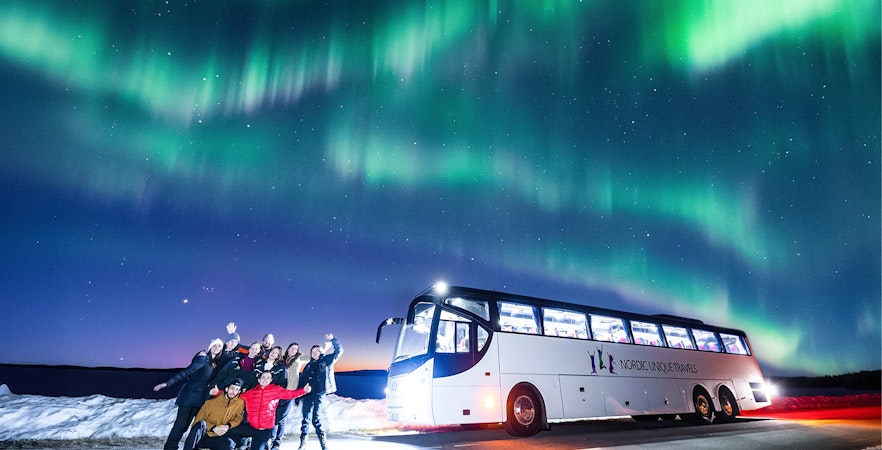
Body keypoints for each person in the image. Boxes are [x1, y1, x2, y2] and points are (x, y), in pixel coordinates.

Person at [154, 338, 224, 450]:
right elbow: (186, 372)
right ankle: (170, 447)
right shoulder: (203, 358)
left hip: (200, 399)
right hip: (188, 396)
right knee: (180, 425)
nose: (216, 348)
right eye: (214, 345)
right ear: (210, 347)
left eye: (219, 346)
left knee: (187, 426)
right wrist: (167, 383)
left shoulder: (214, 362)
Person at [228, 370, 312, 450]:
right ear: (259, 379)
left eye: (268, 378)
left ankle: (263, 444)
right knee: (226, 429)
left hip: (264, 429)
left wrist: (303, 391)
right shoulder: (251, 392)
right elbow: (236, 397)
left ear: (271, 380)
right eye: (263, 377)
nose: (265, 379)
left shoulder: (275, 390)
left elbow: (290, 394)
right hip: (251, 427)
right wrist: (221, 392)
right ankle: (241, 444)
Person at [297, 333, 342, 450]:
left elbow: (339, 352)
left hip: (320, 393)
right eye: (313, 351)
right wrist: (298, 396)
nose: (315, 353)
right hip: (307, 395)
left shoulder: (326, 360)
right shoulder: (308, 365)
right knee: (305, 419)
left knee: (315, 419)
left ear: (320, 352)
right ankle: (302, 444)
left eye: (317, 351)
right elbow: (302, 380)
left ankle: (323, 444)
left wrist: (333, 340)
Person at [182, 378, 246, 450]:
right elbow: (197, 422)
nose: (233, 392)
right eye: (232, 388)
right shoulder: (210, 403)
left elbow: (238, 418)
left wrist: (228, 426)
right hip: (206, 435)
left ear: (239, 391)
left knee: (229, 444)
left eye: (237, 389)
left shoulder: (239, 403)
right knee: (199, 424)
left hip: (220, 436)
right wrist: (213, 428)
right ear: (226, 389)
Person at [270, 343, 309, 449]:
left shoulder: (299, 358)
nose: (294, 350)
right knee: (274, 416)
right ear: (288, 349)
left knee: (282, 419)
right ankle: (270, 440)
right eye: (292, 348)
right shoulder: (281, 360)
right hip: (278, 392)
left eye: (296, 349)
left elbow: (312, 356)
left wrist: (324, 348)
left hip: (290, 393)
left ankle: (276, 443)